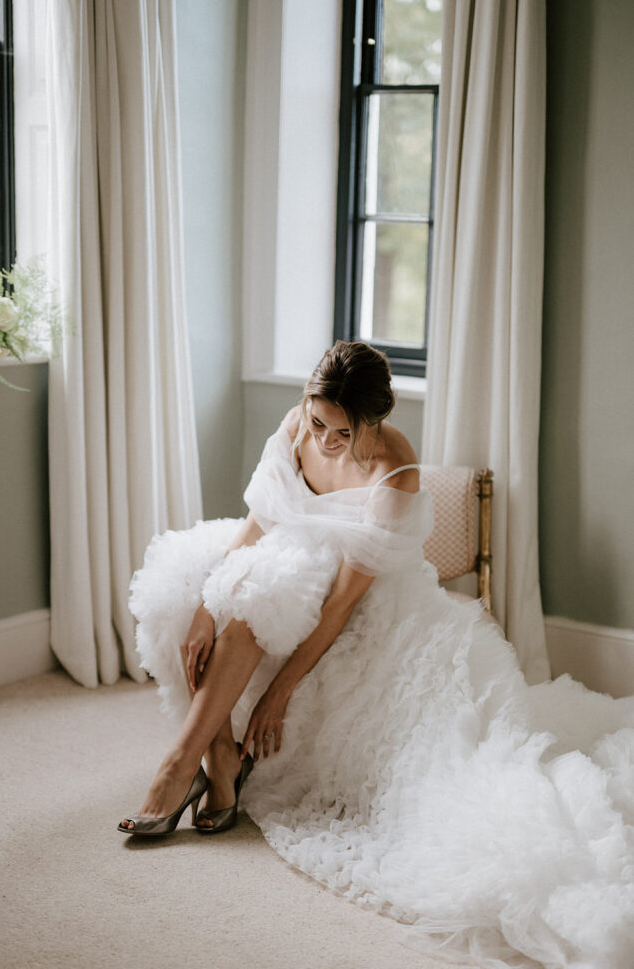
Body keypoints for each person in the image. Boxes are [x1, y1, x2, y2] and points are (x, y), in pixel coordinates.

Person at [122, 340, 634, 969]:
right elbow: (258, 524)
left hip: (357, 598)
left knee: (261, 594)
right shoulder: (296, 425)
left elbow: (340, 602)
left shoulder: (396, 468)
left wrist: (281, 690)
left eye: (343, 432)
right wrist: (205, 602)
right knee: (183, 587)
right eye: (317, 424)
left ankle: (179, 767)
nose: (325, 441)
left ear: (374, 424)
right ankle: (218, 759)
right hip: (281, 562)